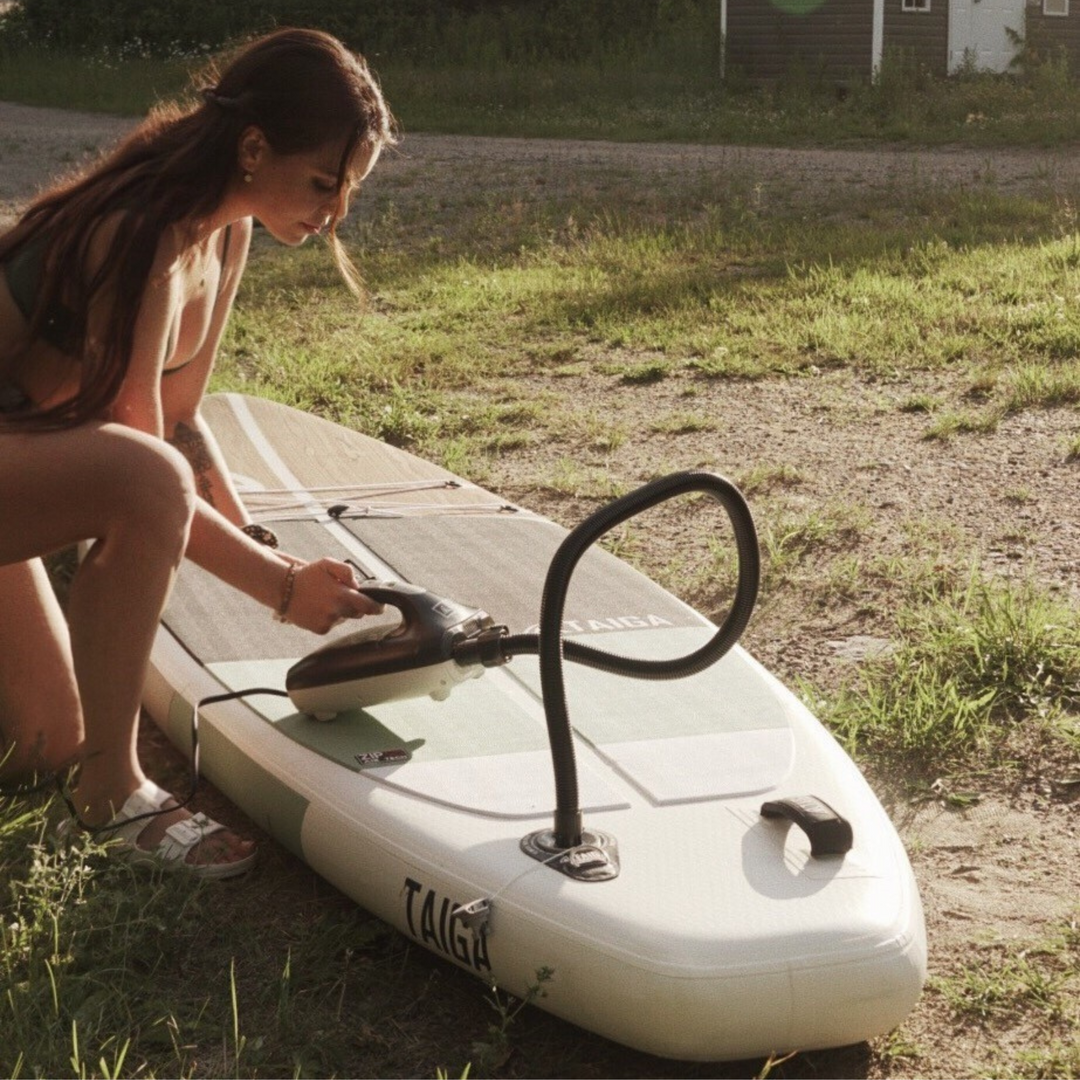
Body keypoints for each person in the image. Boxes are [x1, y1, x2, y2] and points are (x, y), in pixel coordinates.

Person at [0, 27, 397, 876]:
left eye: (348, 192)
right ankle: (110, 796)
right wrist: (282, 589)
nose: (333, 213)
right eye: (324, 181)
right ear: (254, 147)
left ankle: (86, 763)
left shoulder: (227, 231)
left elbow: (179, 418)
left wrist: (262, 546)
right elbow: (142, 468)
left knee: (42, 738)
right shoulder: (145, 229)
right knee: (140, 480)